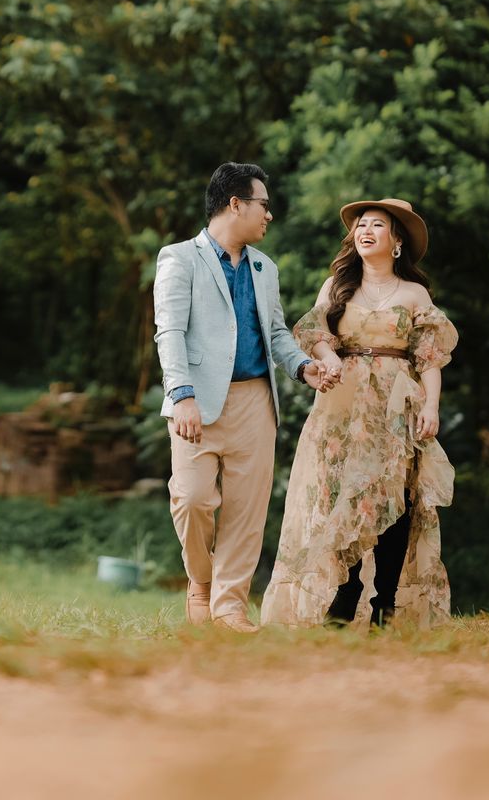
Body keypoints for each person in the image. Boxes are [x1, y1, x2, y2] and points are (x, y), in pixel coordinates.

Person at [152, 162, 341, 631]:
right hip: (196, 402)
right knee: (192, 499)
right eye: (263, 205)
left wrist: (303, 366)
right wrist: (181, 394)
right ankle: (200, 582)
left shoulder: (264, 267)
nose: (269, 216)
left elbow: (275, 332)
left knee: (246, 512)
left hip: (256, 401)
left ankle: (229, 608)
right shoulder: (179, 258)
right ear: (235, 204)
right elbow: (168, 332)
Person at [259, 198, 459, 630]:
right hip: (342, 404)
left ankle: (386, 604)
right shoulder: (336, 286)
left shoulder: (414, 293)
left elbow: (429, 357)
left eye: (377, 225)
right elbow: (315, 333)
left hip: (395, 407)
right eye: (361, 225)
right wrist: (329, 357)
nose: (366, 231)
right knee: (340, 497)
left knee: (395, 499)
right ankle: (345, 596)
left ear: (397, 241)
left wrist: (431, 405)